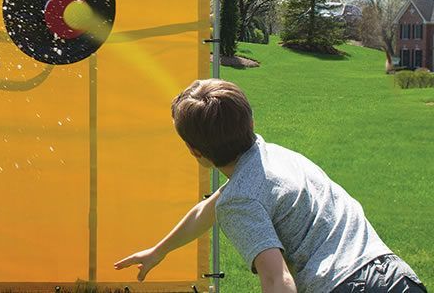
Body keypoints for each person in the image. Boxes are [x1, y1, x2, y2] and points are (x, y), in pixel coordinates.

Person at [114, 79, 426, 293]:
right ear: (248, 122)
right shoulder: (274, 158)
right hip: (396, 275)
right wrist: (160, 250)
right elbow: (208, 211)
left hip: (343, 286)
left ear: (195, 151)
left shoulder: (240, 200)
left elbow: (278, 281)